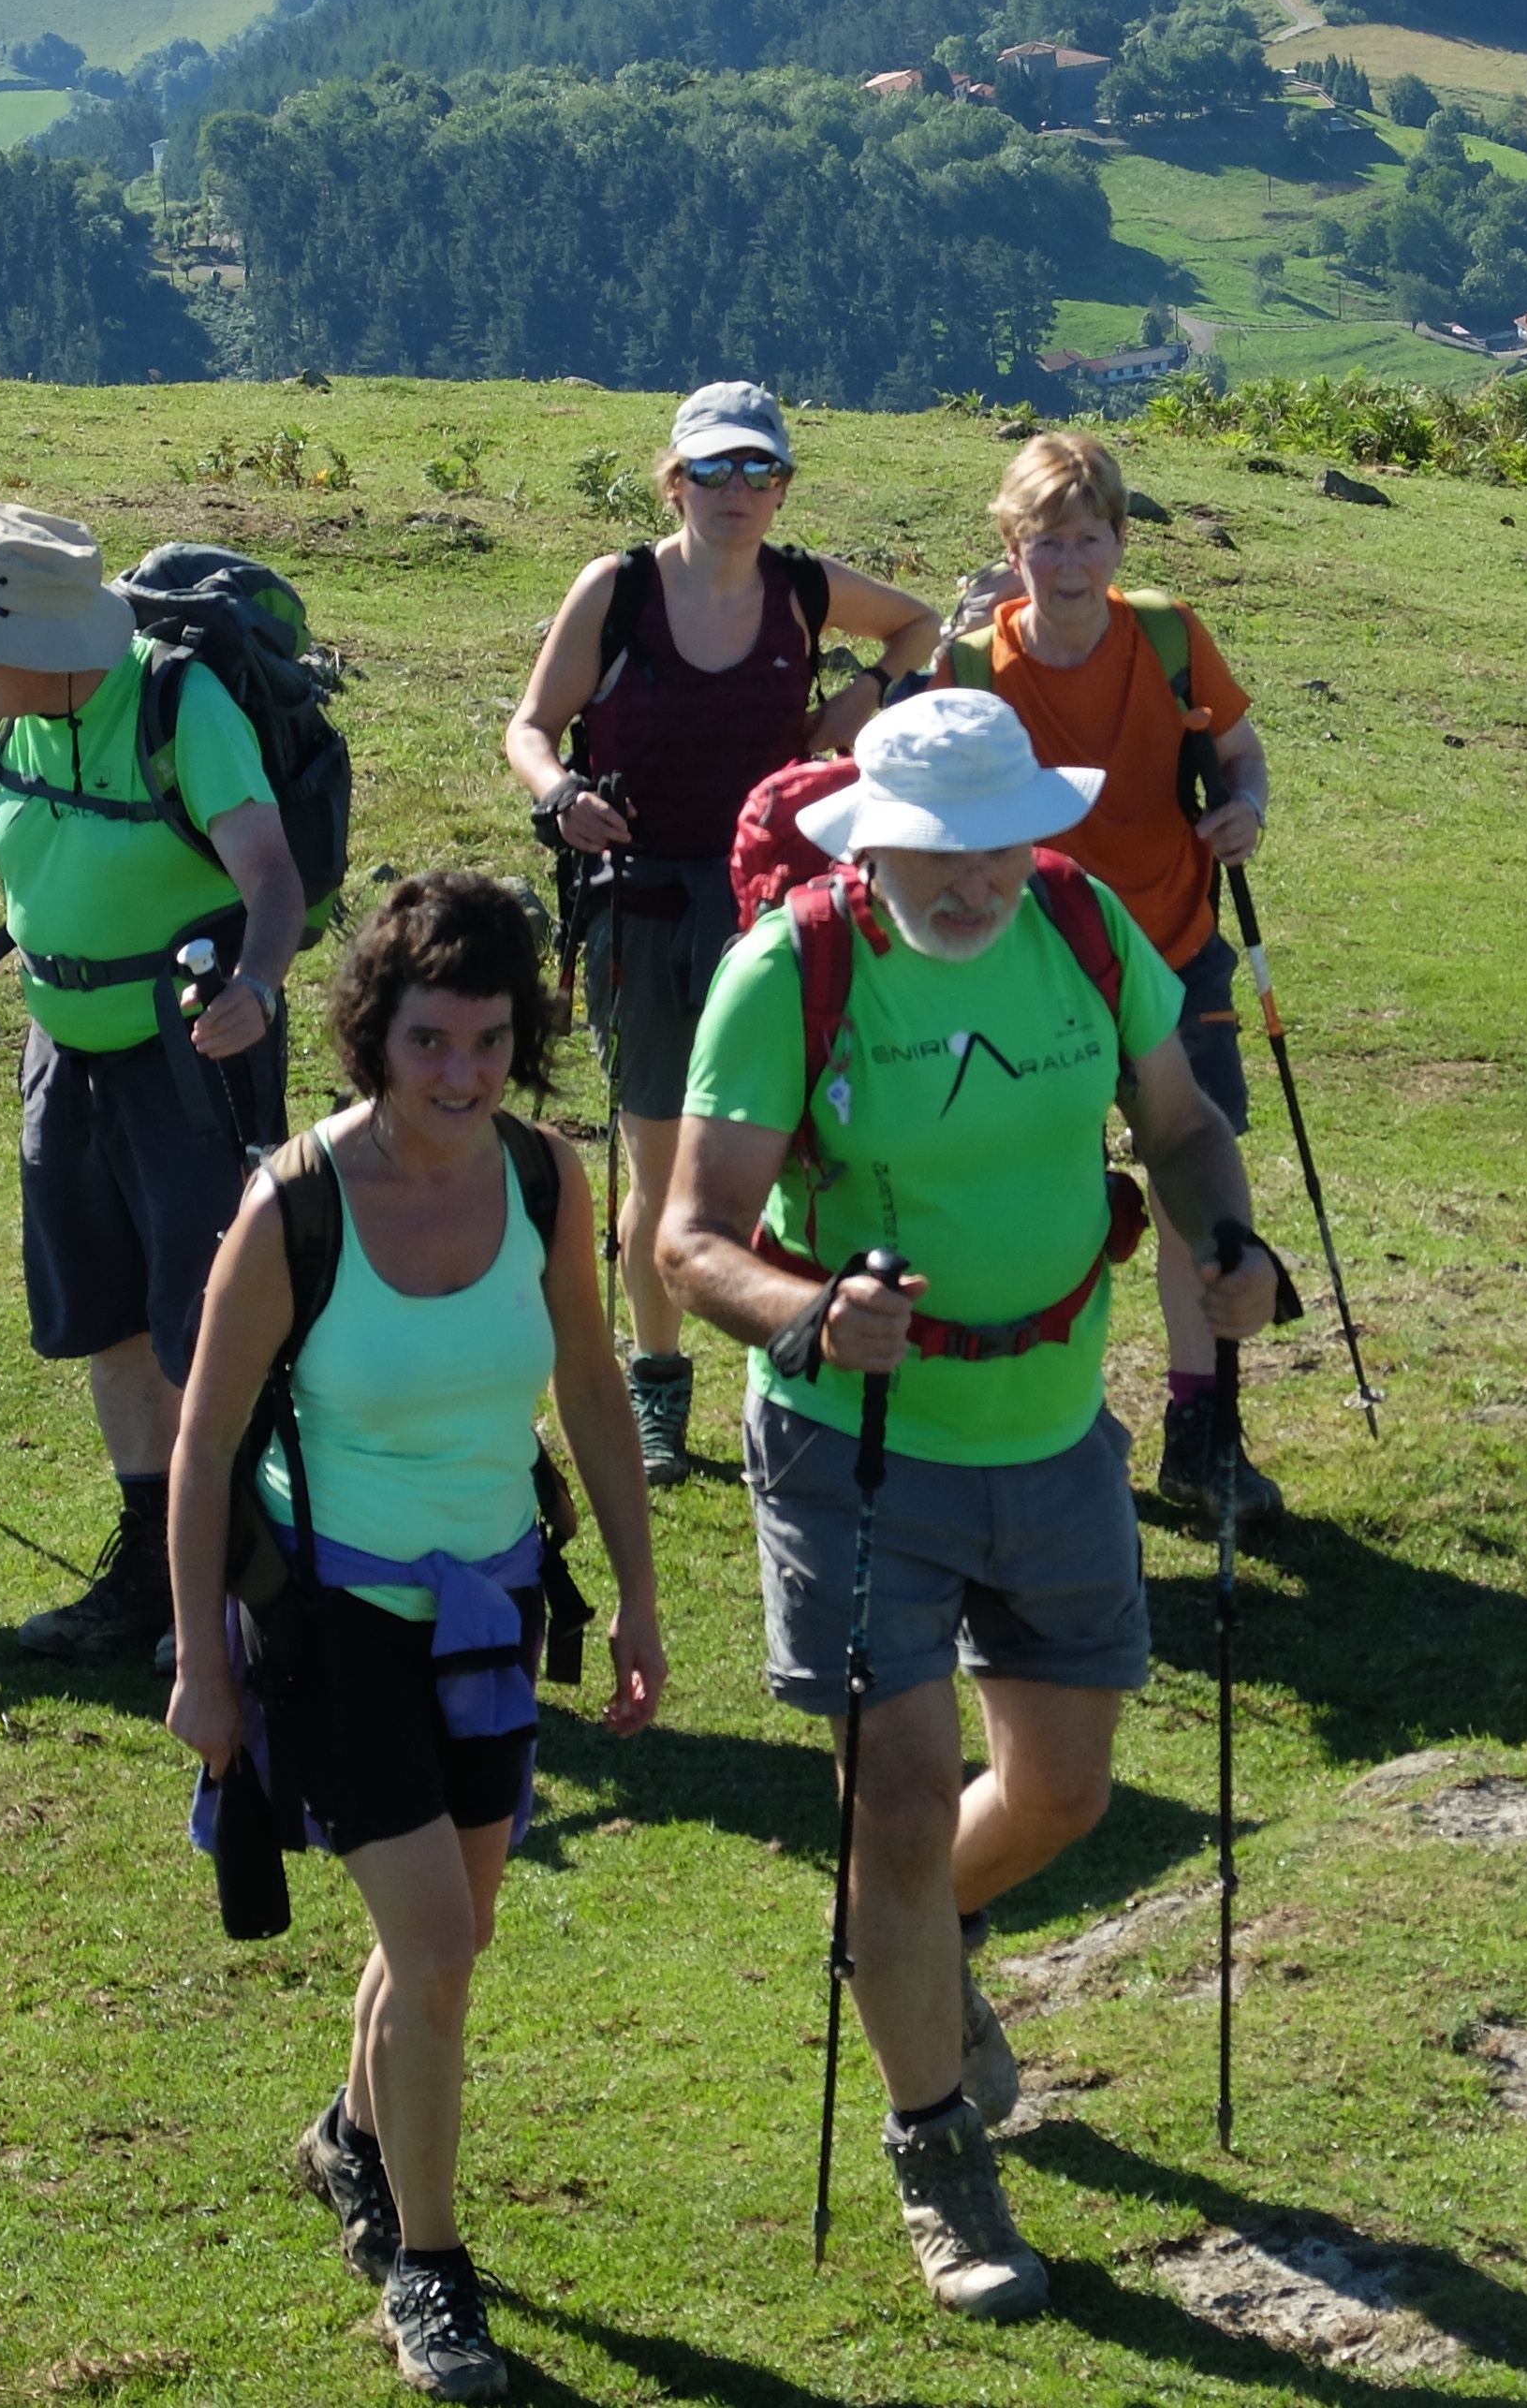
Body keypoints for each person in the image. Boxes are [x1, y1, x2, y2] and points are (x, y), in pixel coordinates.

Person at [658, 693, 1282, 2320]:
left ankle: (907, 1949)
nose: (976, 878)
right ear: (875, 843)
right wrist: (806, 1313)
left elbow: (1181, 1124)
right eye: (940, 851)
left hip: (1055, 1429)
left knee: (1065, 1792)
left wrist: (1229, 1239)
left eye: (999, 842)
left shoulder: (1081, 925)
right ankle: (937, 2151)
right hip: (854, 1444)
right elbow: (691, 1237)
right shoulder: (788, 972)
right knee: (902, 1799)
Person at [167, 876, 666, 2403]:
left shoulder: (545, 1177)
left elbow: (592, 1387)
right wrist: (199, 1667)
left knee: (444, 1941)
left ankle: (350, 2137)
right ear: (375, 1037)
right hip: (330, 1624)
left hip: (490, 1612)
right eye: (432, 1041)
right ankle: (429, 2272)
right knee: (438, 1948)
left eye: (491, 1041)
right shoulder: (296, 1205)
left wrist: (641, 1598)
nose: (462, 1073)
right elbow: (200, 1447)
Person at [0, 507, 302, 1665]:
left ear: (41, 641)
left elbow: (271, 874)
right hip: (61, 1051)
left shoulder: (183, 708)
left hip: (192, 1058)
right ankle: (150, 1572)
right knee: (107, 1317)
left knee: (209, 1322)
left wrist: (258, 987)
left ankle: (234, 1577)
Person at [505, 382, 938, 1479]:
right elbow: (531, 728)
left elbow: (918, 624)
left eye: (757, 469)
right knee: (657, 1160)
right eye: (712, 469)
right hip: (642, 907)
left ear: (783, 487)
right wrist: (560, 797)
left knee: (805, 1147)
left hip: (780, 913)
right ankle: (658, 1388)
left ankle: (805, 1362)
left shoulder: (802, 589)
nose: (734, 489)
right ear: (675, 481)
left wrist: (861, 700)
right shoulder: (617, 590)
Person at [940, 431, 1283, 1522]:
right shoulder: (967, 670)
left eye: (1089, 539)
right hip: (1026, 971)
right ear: (1011, 548)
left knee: (1193, 1196)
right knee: (1047, 1206)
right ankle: (1055, 1428)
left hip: (1174, 950)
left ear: (1120, 543)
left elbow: (1241, 751)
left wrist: (1246, 810)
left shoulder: (1170, 635)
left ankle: (1202, 1435)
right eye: (1047, 543)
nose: (1070, 564)